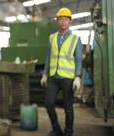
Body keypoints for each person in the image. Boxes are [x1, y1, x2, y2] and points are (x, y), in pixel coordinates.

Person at [40, 7, 82, 136]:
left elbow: (79, 59)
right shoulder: (52, 38)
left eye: (66, 19)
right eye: (60, 19)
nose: (63, 22)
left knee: (68, 107)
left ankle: (68, 132)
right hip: (54, 77)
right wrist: (45, 74)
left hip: (68, 78)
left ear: (70, 21)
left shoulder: (75, 39)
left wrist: (78, 77)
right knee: (48, 102)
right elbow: (48, 57)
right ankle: (56, 129)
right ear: (57, 21)